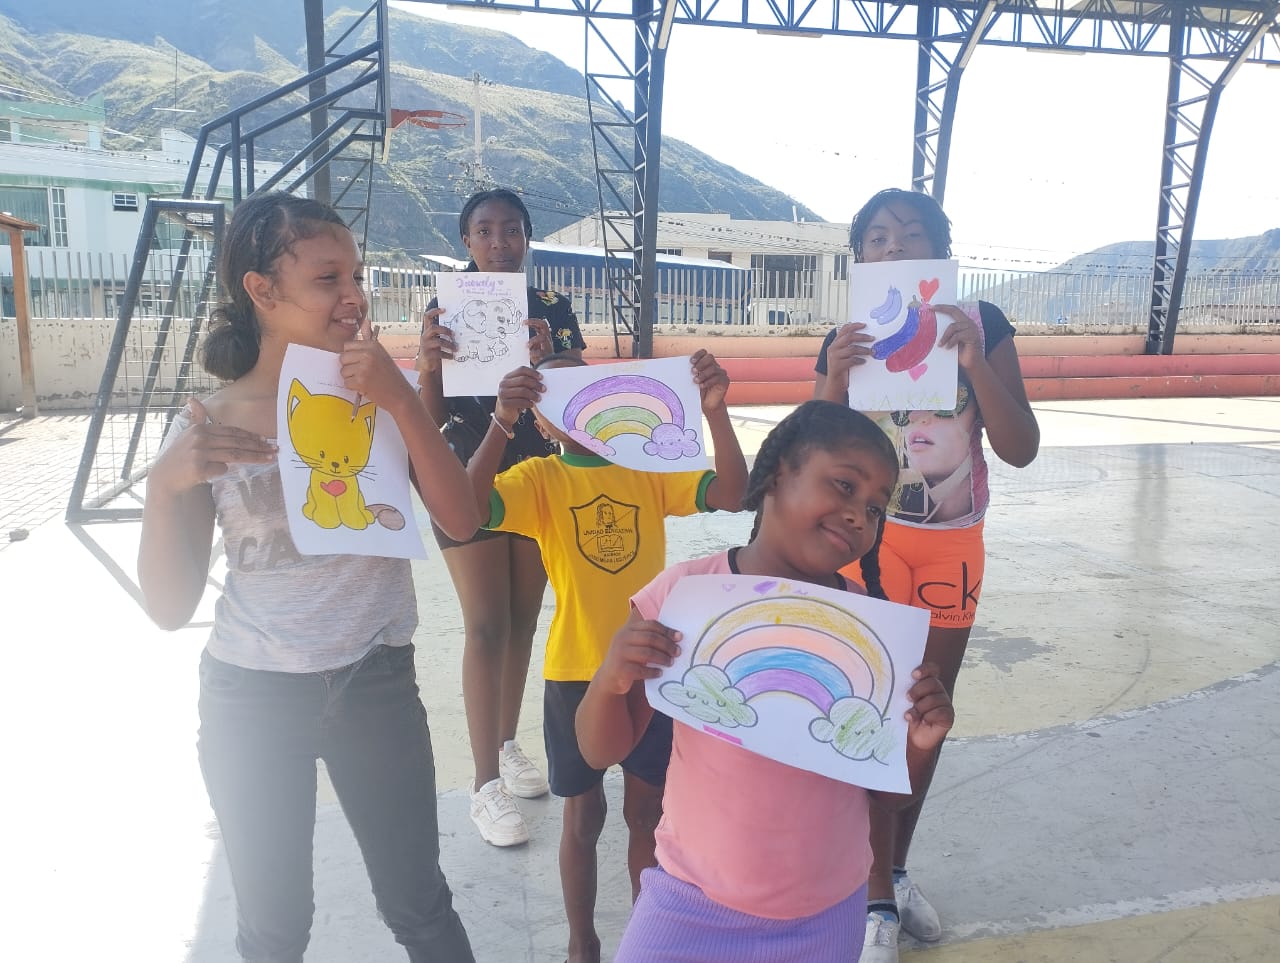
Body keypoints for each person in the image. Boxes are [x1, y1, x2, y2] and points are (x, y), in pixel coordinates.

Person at [137, 192, 478, 963]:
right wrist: (163, 487)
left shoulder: (379, 398)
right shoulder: (209, 424)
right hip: (250, 699)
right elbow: (169, 606)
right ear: (262, 290)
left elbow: (461, 517)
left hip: (375, 683)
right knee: (274, 928)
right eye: (328, 278)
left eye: (356, 274)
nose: (353, 294)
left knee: (419, 906)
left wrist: (401, 398)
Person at [575, 400, 956, 963]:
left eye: (876, 508)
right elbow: (598, 749)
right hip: (688, 899)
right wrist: (611, 677)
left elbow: (888, 797)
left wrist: (920, 744)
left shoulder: (872, 634)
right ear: (777, 473)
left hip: (825, 915)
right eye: (844, 486)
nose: (859, 516)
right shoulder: (684, 596)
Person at [814, 188, 1040, 960]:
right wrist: (834, 379)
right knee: (866, 710)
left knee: (925, 715)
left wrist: (974, 362)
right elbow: (811, 449)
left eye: (912, 234)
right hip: (864, 544)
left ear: (941, 250)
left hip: (951, 547)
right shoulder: (846, 335)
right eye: (878, 237)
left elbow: (1020, 447)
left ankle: (896, 868)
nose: (894, 248)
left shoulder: (981, 323)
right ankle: (871, 891)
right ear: (860, 256)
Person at [467, 351, 749, 963]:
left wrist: (715, 412)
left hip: (652, 669)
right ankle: (583, 942)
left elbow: (732, 492)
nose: (576, 404)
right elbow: (466, 509)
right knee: (582, 818)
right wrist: (500, 421)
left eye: (586, 386)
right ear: (541, 417)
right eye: (555, 394)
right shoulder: (539, 479)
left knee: (646, 814)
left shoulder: (647, 469)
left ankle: (648, 937)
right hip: (576, 672)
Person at [417, 188, 587, 847]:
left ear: (527, 238)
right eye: (484, 231)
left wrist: (549, 360)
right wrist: (429, 364)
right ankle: (483, 783)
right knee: (485, 624)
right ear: (466, 241)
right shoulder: (444, 309)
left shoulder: (551, 307)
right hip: (467, 472)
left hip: (538, 474)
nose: (499, 243)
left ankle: (507, 743)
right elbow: (428, 417)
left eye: (511, 229)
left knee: (522, 619)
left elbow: (574, 402)